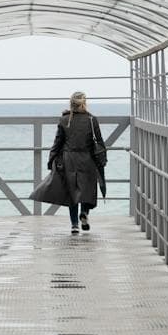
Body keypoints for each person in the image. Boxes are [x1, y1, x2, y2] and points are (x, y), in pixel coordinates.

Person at [47, 90, 107, 234]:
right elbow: (99, 142)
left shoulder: (64, 120)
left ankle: (74, 225)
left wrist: (51, 160)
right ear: (84, 103)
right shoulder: (92, 120)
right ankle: (84, 213)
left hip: (69, 160)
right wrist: (102, 160)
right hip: (87, 159)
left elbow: (58, 143)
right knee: (87, 190)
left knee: (72, 192)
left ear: (71, 104)